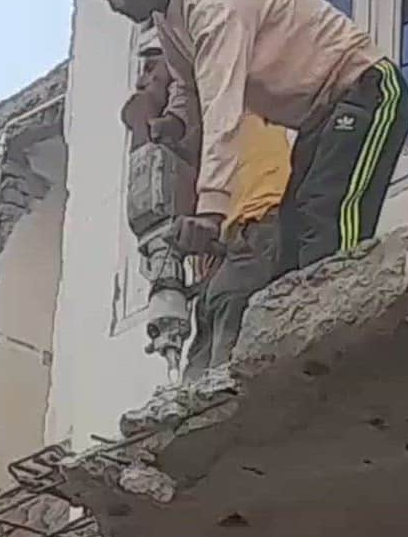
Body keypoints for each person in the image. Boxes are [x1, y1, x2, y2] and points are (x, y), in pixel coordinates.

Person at [73, 0, 408, 276]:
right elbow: (188, 84)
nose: (115, 7)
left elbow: (223, 109)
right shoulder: (169, 14)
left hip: (366, 91)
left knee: (329, 226)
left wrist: (211, 211)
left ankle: (343, 321)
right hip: (320, 119)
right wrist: (175, 119)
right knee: (295, 241)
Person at [121, 47, 291, 379]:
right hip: (224, 256)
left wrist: (147, 114)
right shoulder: (189, 145)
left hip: (257, 224)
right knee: (199, 367)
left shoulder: (218, 93)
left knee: (223, 368)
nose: (141, 81)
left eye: (150, 69)